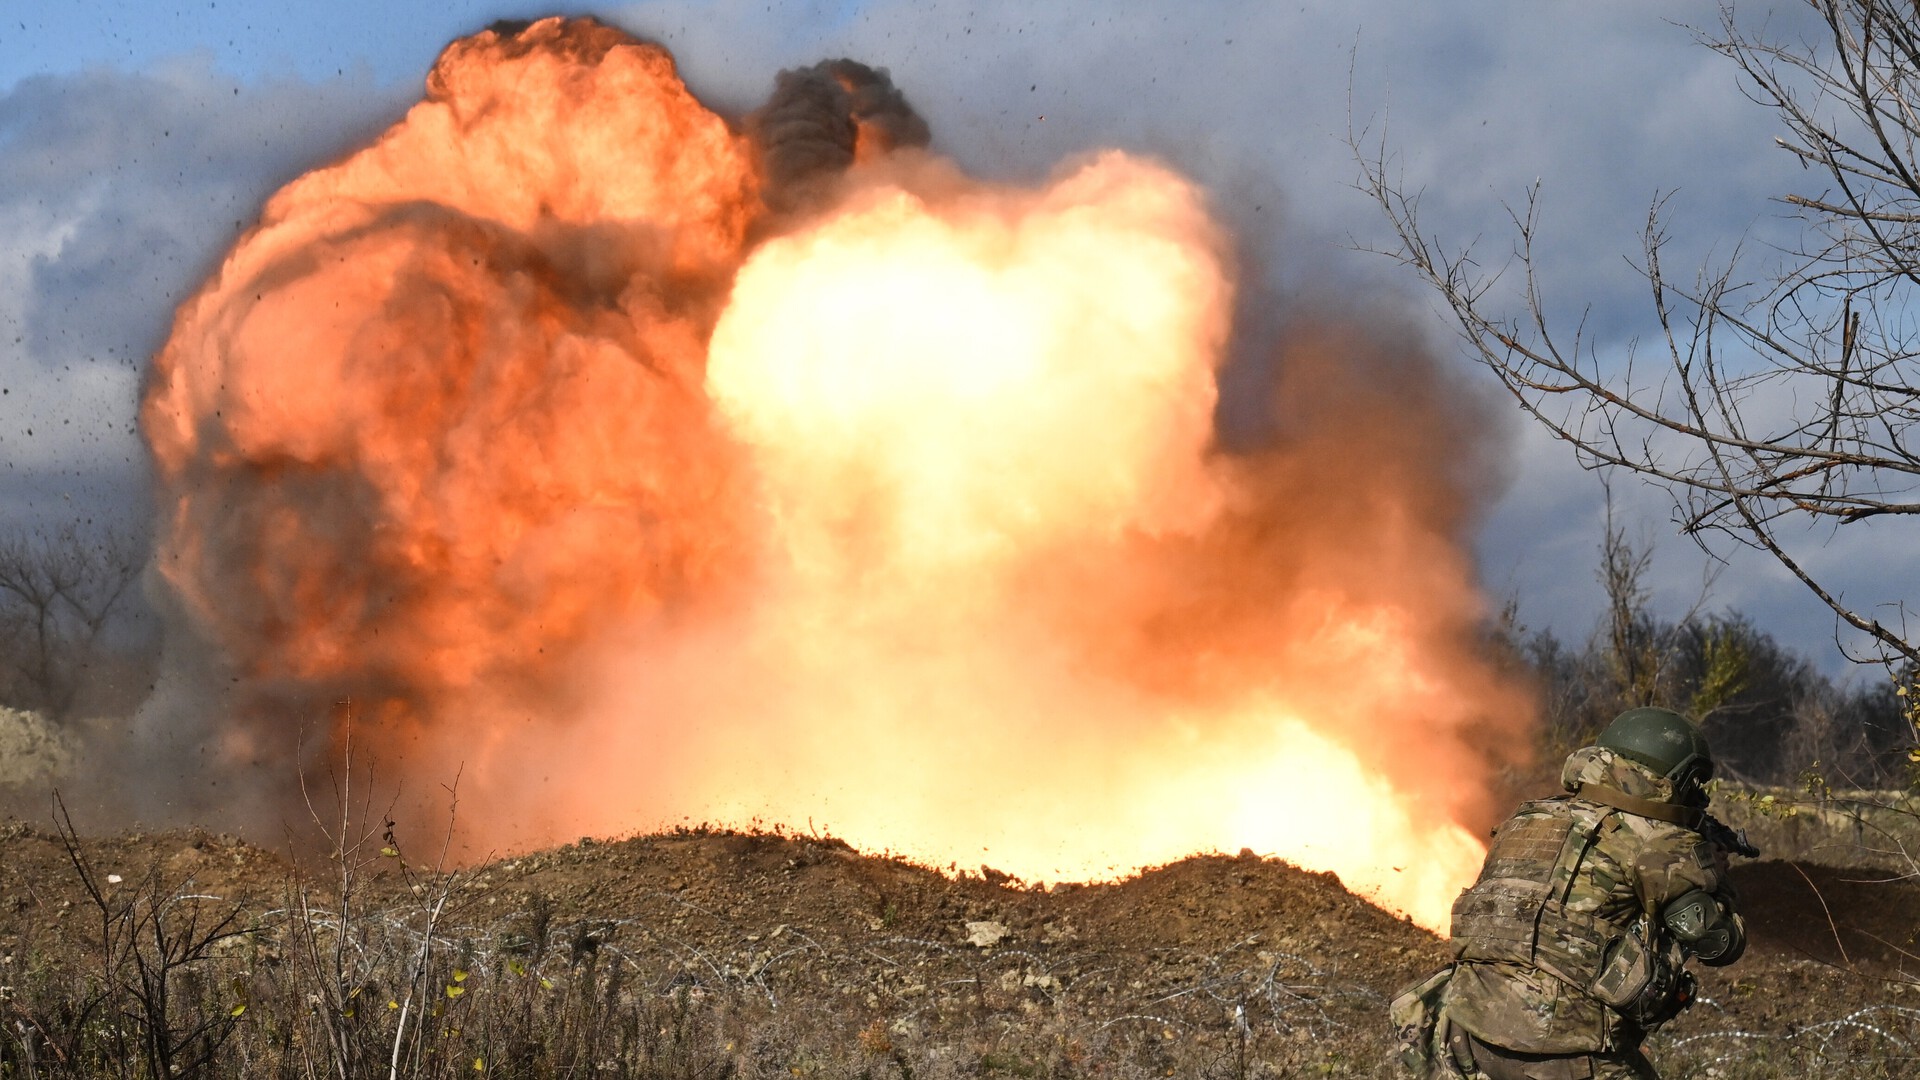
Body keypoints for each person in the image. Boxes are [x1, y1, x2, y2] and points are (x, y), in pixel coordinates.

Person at [1392, 707, 1748, 1080]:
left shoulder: (1529, 818)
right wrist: (1717, 879)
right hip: (1565, 1050)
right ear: (1677, 778)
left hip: (1468, 1033)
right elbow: (1718, 943)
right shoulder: (1660, 841)